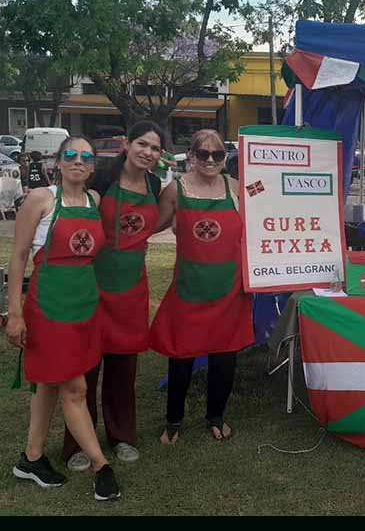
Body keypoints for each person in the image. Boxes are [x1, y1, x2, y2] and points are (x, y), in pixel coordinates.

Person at [6, 137, 122, 501]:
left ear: (91, 168)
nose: (78, 161)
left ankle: (31, 458)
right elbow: (19, 256)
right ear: (59, 163)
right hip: (49, 306)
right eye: (70, 155)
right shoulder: (41, 199)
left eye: (86, 157)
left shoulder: (95, 201)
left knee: (49, 384)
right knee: (75, 389)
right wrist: (14, 312)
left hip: (85, 305)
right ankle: (101, 464)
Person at [61, 122, 165, 473]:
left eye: (154, 148)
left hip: (132, 287)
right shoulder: (101, 175)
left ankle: (122, 436)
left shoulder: (153, 184)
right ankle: (77, 440)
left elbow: (157, 222)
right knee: (85, 365)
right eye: (142, 144)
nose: (147, 152)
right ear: (126, 143)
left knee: (124, 368)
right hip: (93, 282)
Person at [151, 129, 253, 444]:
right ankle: (174, 421)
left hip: (229, 289)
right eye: (203, 154)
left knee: (225, 357)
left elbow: (268, 215)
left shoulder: (237, 189)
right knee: (181, 356)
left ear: (225, 158)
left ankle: (216, 416)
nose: (210, 160)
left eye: (218, 154)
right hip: (189, 287)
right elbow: (151, 226)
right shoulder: (174, 190)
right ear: (191, 156)